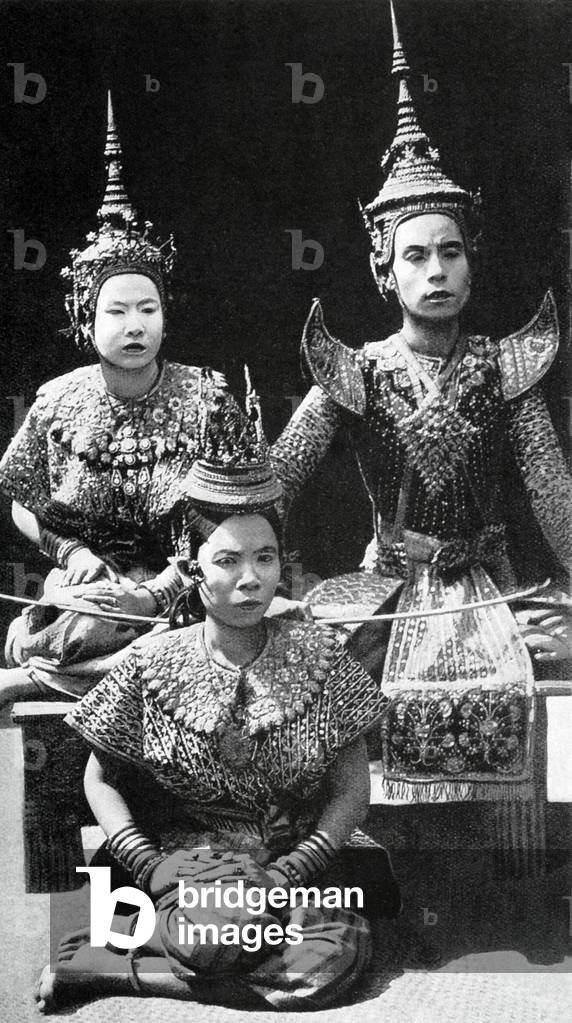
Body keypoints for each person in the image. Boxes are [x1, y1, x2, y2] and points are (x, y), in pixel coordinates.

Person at [270, 2, 572, 803]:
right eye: (415, 255)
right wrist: (241, 560)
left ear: (473, 264)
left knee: (557, 672)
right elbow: (282, 477)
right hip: (389, 589)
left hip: (492, 582)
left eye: (450, 251)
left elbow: (549, 487)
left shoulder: (508, 365)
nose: (435, 270)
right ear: (385, 271)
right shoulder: (357, 371)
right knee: (297, 669)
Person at [35, 383, 397, 1013]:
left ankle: (114, 968)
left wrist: (295, 869)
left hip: (294, 868)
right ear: (193, 564)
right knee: (218, 935)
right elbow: (101, 778)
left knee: (326, 958)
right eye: (228, 559)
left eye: (266, 557)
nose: (250, 577)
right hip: (191, 867)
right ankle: (149, 953)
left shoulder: (319, 657)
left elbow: (350, 786)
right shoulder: (153, 661)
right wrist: (149, 866)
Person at [0, 94, 242, 708]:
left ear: (165, 315)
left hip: (189, 587)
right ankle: (65, 668)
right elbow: (20, 499)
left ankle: (70, 674)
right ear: (87, 319)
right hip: (92, 592)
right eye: (116, 310)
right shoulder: (59, 401)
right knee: (77, 623)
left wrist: (159, 591)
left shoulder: (207, 396)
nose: (134, 325)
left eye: (148, 309)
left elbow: (239, 515)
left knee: (222, 634)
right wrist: (71, 552)